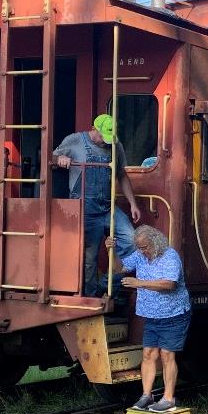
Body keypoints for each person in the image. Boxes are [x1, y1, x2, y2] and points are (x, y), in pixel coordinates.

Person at [53, 114, 142, 296]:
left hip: (108, 207)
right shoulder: (74, 140)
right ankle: (91, 298)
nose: (106, 142)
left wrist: (133, 203)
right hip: (84, 208)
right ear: (94, 129)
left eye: (109, 138)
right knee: (89, 259)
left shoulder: (115, 145)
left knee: (132, 241)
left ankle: (106, 284)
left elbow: (122, 175)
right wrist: (60, 159)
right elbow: (53, 157)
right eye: (103, 137)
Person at [107, 225, 190, 413]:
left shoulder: (170, 256)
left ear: (155, 242)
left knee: (167, 355)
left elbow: (169, 284)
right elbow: (119, 268)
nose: (142, 251)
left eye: (144, 247)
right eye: (139, 247)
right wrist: (111, 251)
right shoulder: (140, 255)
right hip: (152, 315)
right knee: (148, 355)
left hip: (173, 314)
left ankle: (168, 398)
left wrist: (140, 283)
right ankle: (146, 395)